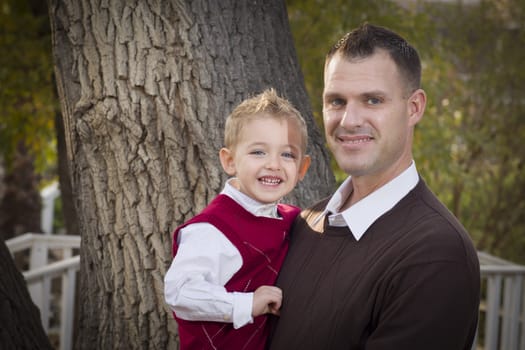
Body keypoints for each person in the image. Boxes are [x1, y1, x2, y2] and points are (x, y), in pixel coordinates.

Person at [268, 23, 480, 350]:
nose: (349, 120)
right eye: (336, 101)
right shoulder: (305, 222)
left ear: (414, 108)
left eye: (373, 100)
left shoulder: (437, 256)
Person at [164, 88, 311, 350]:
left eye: (287, 154)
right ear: (230, 161)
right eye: (258, 152)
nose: (274, 164)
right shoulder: (212, 230)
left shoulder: (293, 220)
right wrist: (244, 304)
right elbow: (180, 291)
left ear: (302, 169)